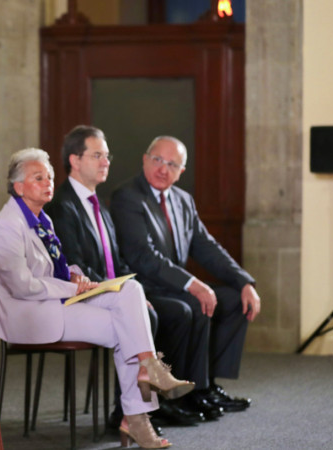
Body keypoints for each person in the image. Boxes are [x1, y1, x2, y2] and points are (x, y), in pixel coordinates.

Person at [0, 148, 194, 448]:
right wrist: (73, 289)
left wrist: (74, 274)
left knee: (131, 291)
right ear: (18, 187)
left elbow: (52, 264)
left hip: (57, 301)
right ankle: (137, 415)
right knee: (127, 327)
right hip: (31, 315)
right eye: (38, 178)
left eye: (50, 177)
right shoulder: (6, 227)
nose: (48, 183)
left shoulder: (41, 218)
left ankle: (146, 372)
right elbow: (22, 287)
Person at [44, 125, 201, 429]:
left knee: (178, 312)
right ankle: (127, 411)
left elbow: (118, 261)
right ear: (75, 161)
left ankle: (156, 405)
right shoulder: (62, 206)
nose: (106, 162)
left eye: (107, 156)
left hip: (113, 292)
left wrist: (136, 292)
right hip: (81, 298)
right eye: (98, 155)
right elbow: (74, 267)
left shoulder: (98, 205)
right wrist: (126, 296)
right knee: (148, 317)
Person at [111, 136, 260, 421]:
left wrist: (244, 282)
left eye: (172, 164)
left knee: (233, 301)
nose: (162, 169)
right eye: (157, 160)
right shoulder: (127, 196)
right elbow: (144, 256)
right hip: (146, 288)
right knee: (196, 304)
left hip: (174, 285)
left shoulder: (182, 200)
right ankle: (190, 391)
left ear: (182, 171)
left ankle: (207, 386)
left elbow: (206, 247)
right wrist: (193, 284)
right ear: (144, 159)